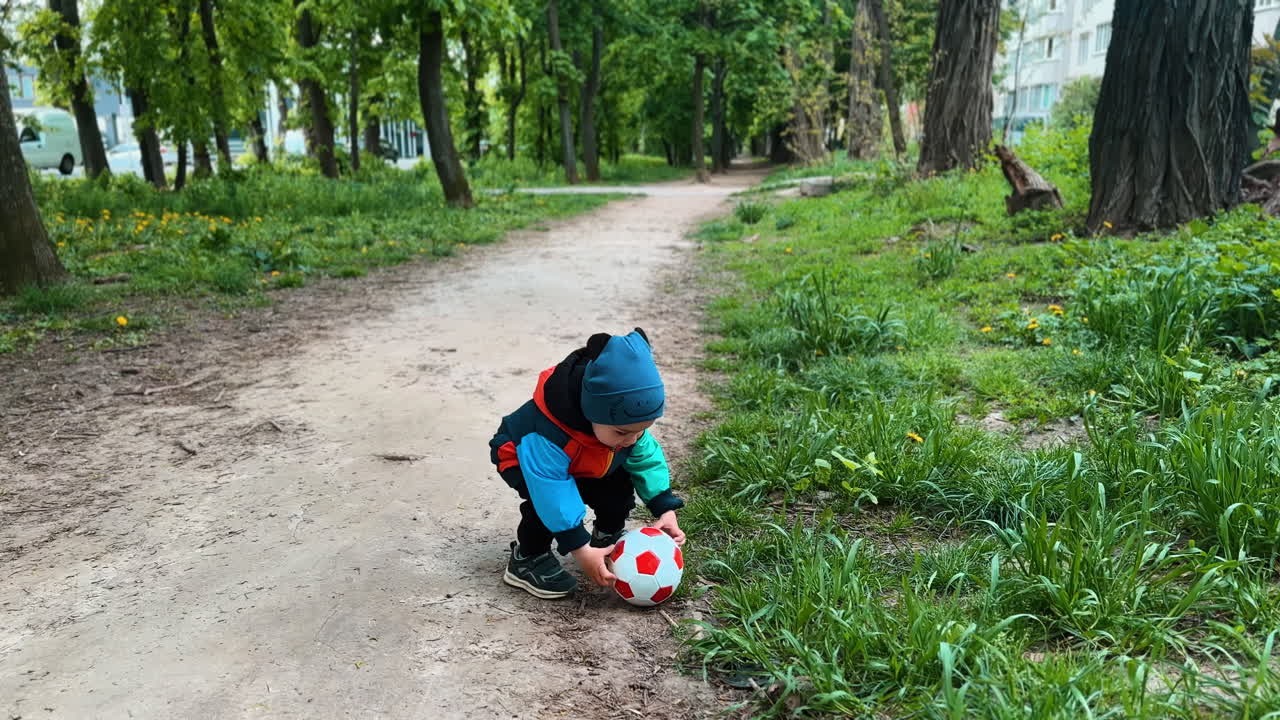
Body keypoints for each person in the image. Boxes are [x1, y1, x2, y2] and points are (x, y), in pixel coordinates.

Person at [488, 328, 686, 599]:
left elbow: (646, 460)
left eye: (641, 430)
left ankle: (607, 537)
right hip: (523, 458)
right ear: (592, 412)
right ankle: (527, 558)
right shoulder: (547, 433)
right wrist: (579, 548)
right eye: (622, 432)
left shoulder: (622, 427)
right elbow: (552, 491)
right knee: (543, 505)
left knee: (617, 483)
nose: (632, 439)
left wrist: (664, 507)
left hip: (585, 454)